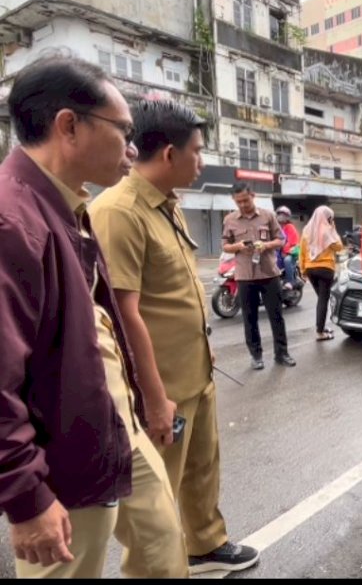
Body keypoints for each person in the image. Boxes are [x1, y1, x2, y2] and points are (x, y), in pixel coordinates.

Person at [0, 55, 186, 578]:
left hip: (112, 426)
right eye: (122, 130)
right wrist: (26, 496)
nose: (131, 149)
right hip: (62, 453)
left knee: (162, 547)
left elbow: (97, 327)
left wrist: (147, 399)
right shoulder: (12, 221)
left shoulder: (66, 205)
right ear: (68, 126)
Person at [89, 99, 259, 575]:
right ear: (168, 154)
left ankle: (205, 543)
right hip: (159, 388)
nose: (202, 162)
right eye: (197, 152)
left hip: (195, 372)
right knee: (155, 504)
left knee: (203, 471)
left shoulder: (167, 206)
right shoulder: (118, 212)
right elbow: (123, 314)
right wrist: (155, 397)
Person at [221, 184, 296, 369]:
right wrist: (238, 246)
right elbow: (225, 245)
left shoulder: (268, 216)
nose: (243, 204)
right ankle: (256, 355)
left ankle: (282, 354)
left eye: (246, 200)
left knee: (276, 316)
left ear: (253, 196)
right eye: (239, 202)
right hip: (245, 276)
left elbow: (281, 240)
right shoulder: (230, 219)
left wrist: (267, 245)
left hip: (269, 273)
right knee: (250, 318)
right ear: (234, 201)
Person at [299, 205, 344, 341]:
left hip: (310, 268)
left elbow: (301, 251)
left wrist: (303, 270)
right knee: (323, 300)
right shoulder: (327, 231)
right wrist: (333, 229)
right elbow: (339, 246)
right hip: (325, 268)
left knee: (321, 299)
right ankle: (320, 332)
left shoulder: (307, 230)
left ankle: (322, 327)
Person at [276, 205, 299, 289]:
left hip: (290, 252)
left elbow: (292, 242)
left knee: (287, 260)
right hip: (277, 251)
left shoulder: (290, 227)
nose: (281, 216)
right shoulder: (275, 227)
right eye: (280, 214)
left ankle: (291, 281)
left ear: (287, 217)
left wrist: (284, 251)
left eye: (284, 214)